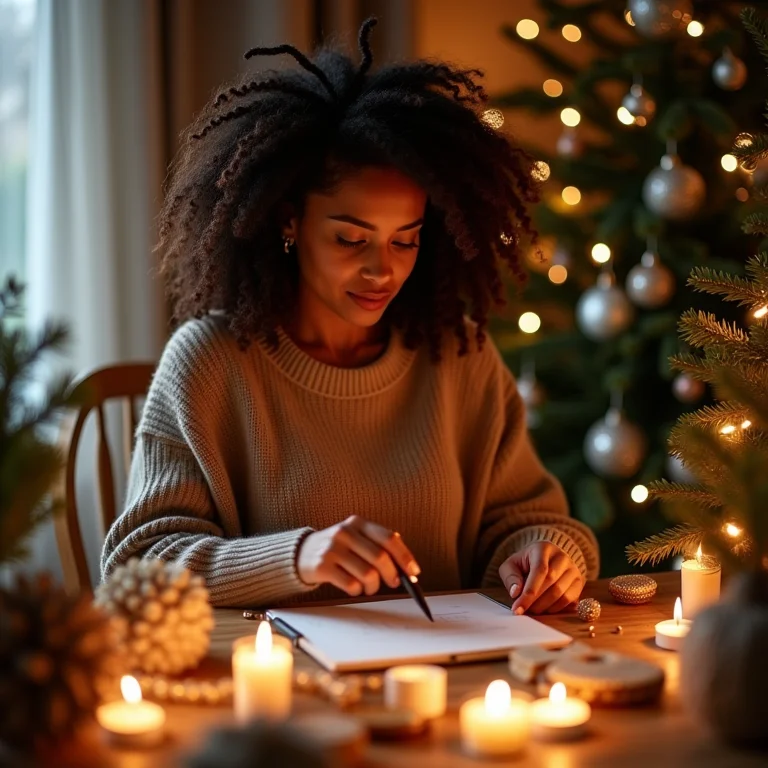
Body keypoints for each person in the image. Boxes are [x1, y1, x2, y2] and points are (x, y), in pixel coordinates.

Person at [101, 18, 599, 612]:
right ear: (289, 221)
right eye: (351, 239)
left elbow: (533, 521)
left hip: (447, 664)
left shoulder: (458, 354)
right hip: (274, 669)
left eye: (405, 240)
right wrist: (297, 556)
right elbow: (139, 563)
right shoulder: (208, 363)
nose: (382, 270)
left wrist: (543, 554)